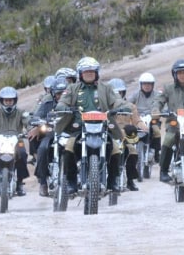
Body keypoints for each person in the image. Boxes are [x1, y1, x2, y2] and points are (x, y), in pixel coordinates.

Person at [55, 56, 131, 194]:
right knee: (68, 148)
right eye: (86, 71)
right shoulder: (72, 88)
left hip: (103, 127)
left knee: (115, 149)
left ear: (96, 73)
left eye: (92, 71)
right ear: (80, 73)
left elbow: (117, 101)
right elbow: (63, 102)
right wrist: (63, 107)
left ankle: (112, 181)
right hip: (79, 128)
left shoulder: (107, 88)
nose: (89, 74)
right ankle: (71, 182)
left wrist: (122, 107)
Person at [151, 59, 184, 183]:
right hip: (175, 124)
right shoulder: (168, 88)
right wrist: (156, 109)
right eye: (180, 73)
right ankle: (163, 170)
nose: (182, 75)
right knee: (168, 140)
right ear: (175, 74)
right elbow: (158, 100)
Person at [109, 78, 148, 191]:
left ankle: (130, 180)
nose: (117, 95)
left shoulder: (130, 106)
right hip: (110, 133)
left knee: (133, 151)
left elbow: (137, 120)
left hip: (125, 134)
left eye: (119, 92)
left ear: (123, 93)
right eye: (114, 93)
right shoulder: (105, 106)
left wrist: (144, 127)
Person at [32, 77, 68, 196]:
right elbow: (37, 116)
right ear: (53, 94)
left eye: (63, 93)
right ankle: (43, 182)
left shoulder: (74, 104)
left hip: (69, 134)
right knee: (42, 149)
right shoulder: (47, 104)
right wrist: (37, 121)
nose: (61, 96)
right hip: (51, 134)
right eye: (58, 94)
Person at [128, 72, 162, 163]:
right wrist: (127, 108)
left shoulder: (157, 95)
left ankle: (156, 153)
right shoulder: (136, 94)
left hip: (153, 118)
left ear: (152, 85)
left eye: (149, 84)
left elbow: (162, 104)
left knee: (156, 131)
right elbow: (128, 103)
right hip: (138, 119)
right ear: (141, 85)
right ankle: (128, 152)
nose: (147, 86)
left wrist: (162, 111)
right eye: (145, 84)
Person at [30, 76, 57, 165]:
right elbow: (36, 110)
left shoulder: (63, 97)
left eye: (51, 88)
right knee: (32, 133)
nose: (49, 90)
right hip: (46, 124)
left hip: (59, 125)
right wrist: (36, 121)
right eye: (47, 88)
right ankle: (36, 156)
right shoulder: (43, 98)